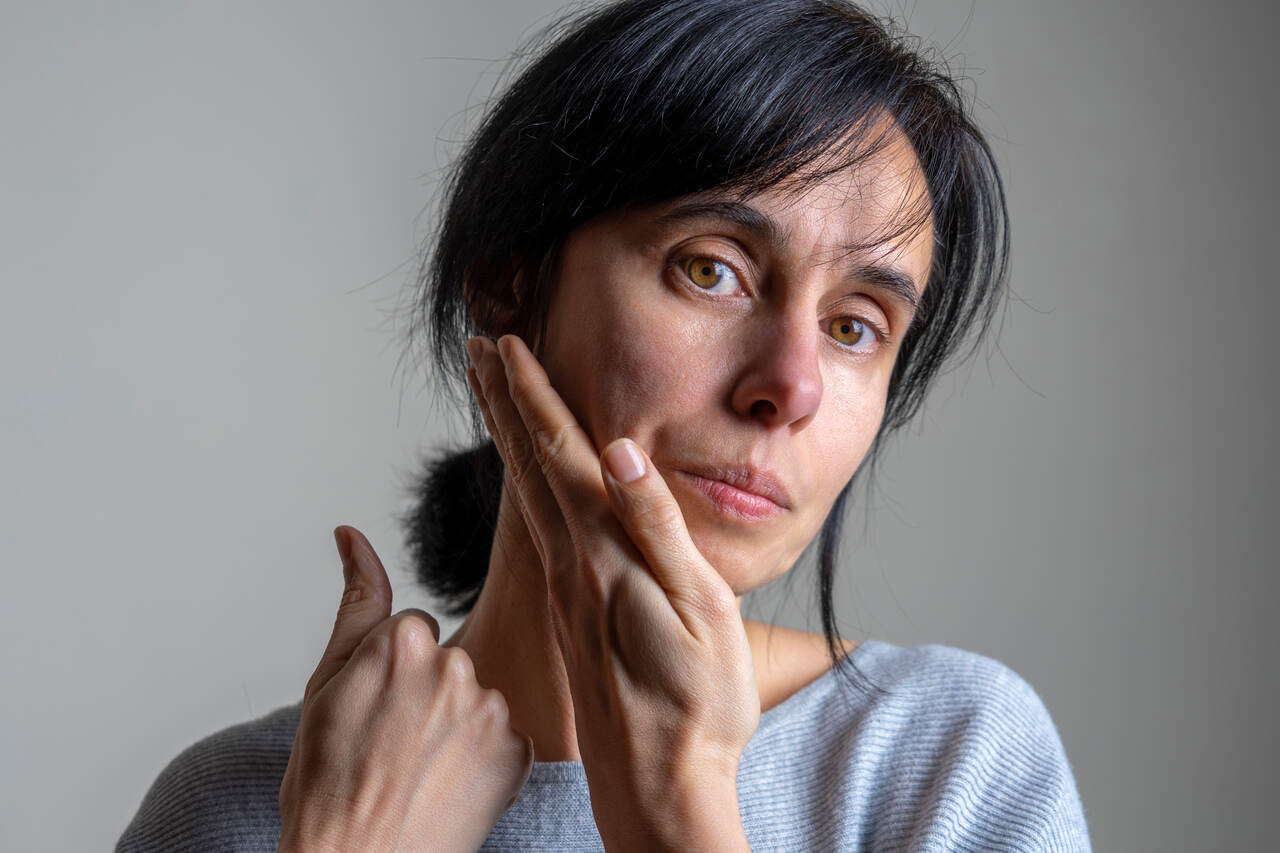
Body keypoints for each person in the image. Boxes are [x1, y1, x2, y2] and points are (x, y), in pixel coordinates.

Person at [116, 0, 1092, 850]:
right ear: (508, 285)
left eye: (852, 328)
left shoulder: (944, 761)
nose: (788, 386)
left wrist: (676, 808)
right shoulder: (234, 812)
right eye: (710, 267)